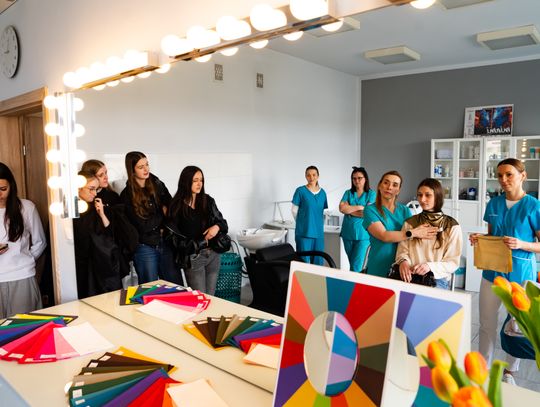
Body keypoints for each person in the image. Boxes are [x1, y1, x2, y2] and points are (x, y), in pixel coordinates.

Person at [470, 158, 540, 385]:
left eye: (509, 174)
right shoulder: (494, 204)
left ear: (522, 176)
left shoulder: (533, 206)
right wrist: (479, 238)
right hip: (492, 272)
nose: (503, 179)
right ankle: (483, 370)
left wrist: (522, 244)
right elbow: (492, 237)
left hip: (521, 274)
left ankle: (510, 371)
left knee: (517, 325)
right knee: (486, 323)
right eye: (500, 175)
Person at [363, 170, 438, 277]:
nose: (389, 187)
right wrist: (413, 233)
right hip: (379, 265)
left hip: (404, 267)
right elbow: (384, 235)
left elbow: (413, 241)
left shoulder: (405, 210)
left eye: (395, 185)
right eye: (386, 183)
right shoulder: (370, 210)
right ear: (379, 186)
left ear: (398, 190)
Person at [168, 166, 228, 295]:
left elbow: (223, 223)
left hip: (213, 254)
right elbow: (174, 239)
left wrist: (216, 227)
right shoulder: (176, 206)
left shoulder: (208, 200)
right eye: (195, 180)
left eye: (201, 180)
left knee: (211, 297)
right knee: (200, 298)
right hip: (194, 258)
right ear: (186, 181)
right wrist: (200, 242)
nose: (199, 184)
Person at [395, 178, 462, 289]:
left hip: (436, 280)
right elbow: (402, 251)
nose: (422, 199)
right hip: (410, 277)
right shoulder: (410, 222)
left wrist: (429, 266)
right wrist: (403, 262)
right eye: (419, 195)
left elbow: (452, 262)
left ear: (438, 196)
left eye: (428, 195)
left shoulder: (452, 226)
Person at [120, 151, 175, 284]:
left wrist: (162, 215)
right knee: (149, 289)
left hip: (165, 241)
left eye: (147, 164)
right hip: (144, 246)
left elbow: (171, 209)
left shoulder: (158, 185)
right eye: (141, 167)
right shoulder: (127, 195)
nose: (146, 169)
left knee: (175, 286)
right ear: (132, 170)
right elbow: (143, 226)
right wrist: (161, 212)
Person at [0, 162, 46, 318]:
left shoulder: (26, 207)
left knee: (24, 327)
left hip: (22, 276)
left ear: (11, 186)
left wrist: (26, 259)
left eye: (3, 189)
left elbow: (40, 242)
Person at [73, 171, 123, 298]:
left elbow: (109, 235)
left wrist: (102, 214)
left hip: (98, 263)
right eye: (91, 189)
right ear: (78, 188)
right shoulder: (69, 210)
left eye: (96, 189)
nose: (95, 193)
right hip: (78, 263)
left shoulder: (95, 208)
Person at [339, 166, 376, 271]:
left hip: (363, 235)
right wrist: (359, 207)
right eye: (354, 178)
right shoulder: (348, 193)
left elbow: (368, 214)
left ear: (365, 179)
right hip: (347, 234)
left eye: (359, 178)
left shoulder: (371, 194)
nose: (356, 181)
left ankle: (354, 282)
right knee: (352, 264)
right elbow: (342, 208)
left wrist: (349, 211)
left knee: (356, 267)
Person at [292, 166, 328, 265]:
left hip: (318, 233)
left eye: (314, 175)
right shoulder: (300, 191)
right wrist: (302, 223)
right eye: (308, 175)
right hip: (304, 232)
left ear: (318, 176)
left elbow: (321, 212)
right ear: (305, 176)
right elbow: (294, 210)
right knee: (303, 262)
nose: (311, 177)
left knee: (318, 261)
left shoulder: (323, 193)